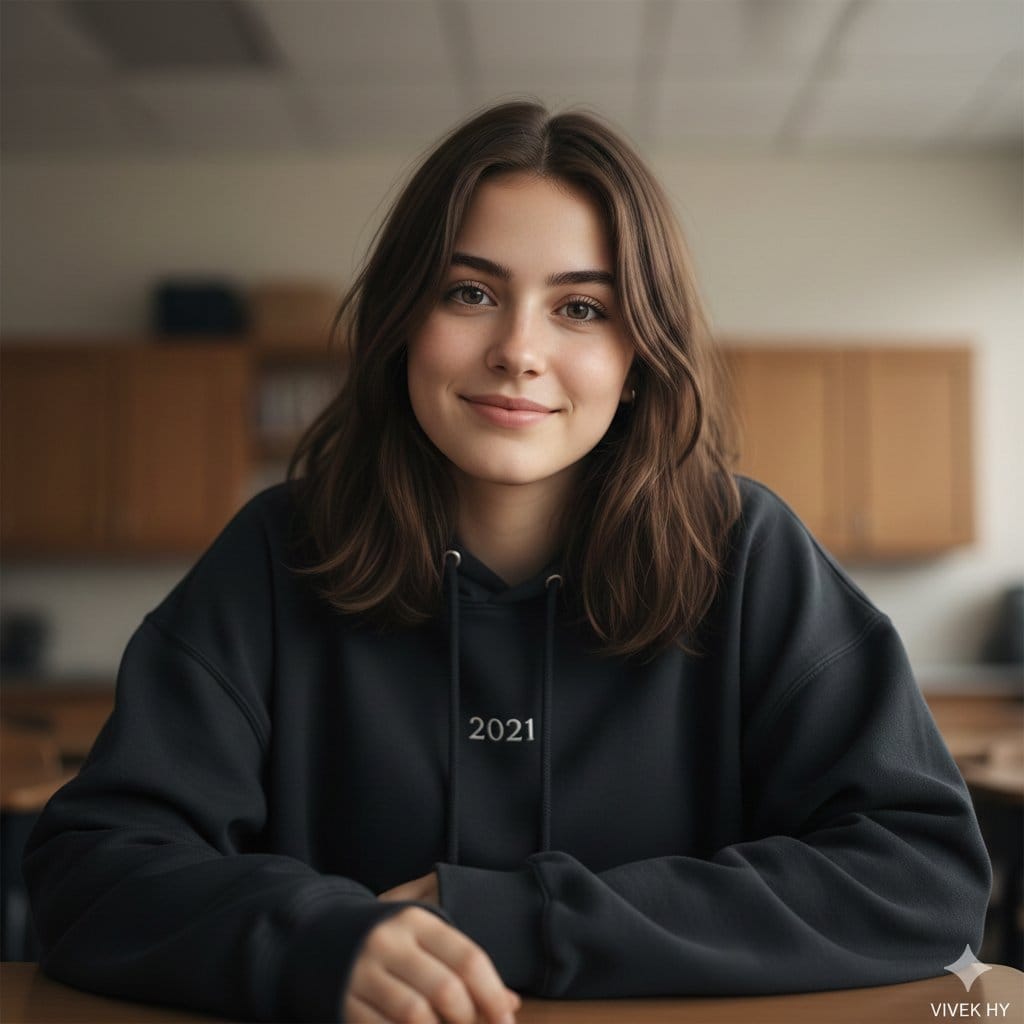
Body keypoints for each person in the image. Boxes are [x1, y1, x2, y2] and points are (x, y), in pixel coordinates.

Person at [24, 101, 990, 1024]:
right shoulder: (277, 553)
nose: (518, 351)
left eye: (580, 308)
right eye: (471, 293)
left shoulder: (748, 554)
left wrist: (510, 919)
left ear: (640, 354)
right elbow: (91, 871)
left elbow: (920, 876)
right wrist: (318, 939)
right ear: (406, 318)